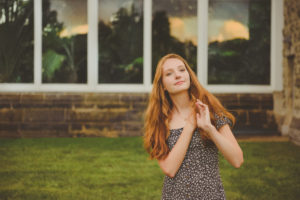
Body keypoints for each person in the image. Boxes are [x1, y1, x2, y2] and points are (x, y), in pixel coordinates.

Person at [144, 53, 244, 199]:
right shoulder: (158, 122)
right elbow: (170, 169)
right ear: (163, 85)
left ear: (189, 75)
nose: (177, 75)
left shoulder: (210, 111)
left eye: (181, 70)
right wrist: (190, 126)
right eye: (169, 73)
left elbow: (237, 160)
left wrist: (209, 129)